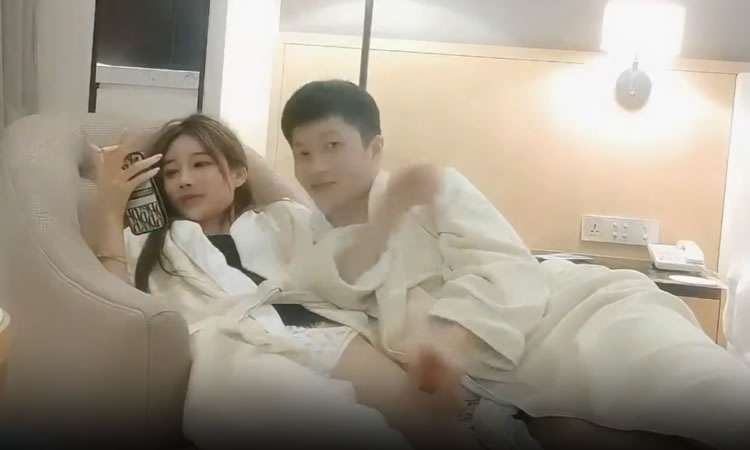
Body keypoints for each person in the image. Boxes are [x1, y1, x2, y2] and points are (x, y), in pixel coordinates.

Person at [280, 79, 750, 450]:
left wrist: (452, 338)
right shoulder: (311, 242)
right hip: (503, 382)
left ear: (374, 147)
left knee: (702, 394)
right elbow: (336, 285)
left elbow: (506, 264)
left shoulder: (430, 189)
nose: (317, 167)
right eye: (302, 153)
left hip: (567, 313)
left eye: (332, 146)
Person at [90, 114, 479, 450]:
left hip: (321, 330)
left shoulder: (282, 219)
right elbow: (117, 306)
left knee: (433, 424)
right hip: (238, 346)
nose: (184, 180)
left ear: (238, 174)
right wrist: (111, 209)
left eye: (201, 164)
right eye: (171, 173)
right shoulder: (149, 241)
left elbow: (346, 259)